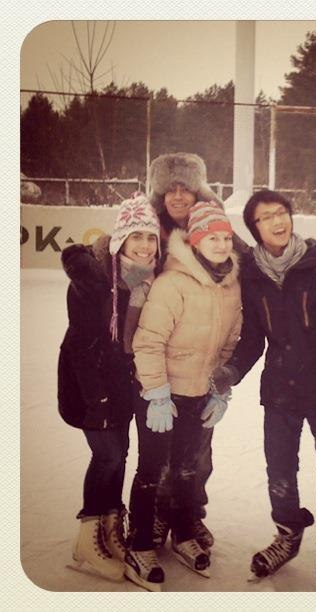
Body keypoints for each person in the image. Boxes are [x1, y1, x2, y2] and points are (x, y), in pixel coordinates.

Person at [211, 189, 316, 592]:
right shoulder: (252, 274)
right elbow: (253, 336)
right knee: (279, 472)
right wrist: (232, 370)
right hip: (280, 390)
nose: (276, 222)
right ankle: (288, 535)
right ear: (255, 228)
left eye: (281, 212)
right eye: (265, 218)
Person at [124, 202, 242, 591]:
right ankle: (139, 543)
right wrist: (157, 394)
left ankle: (184, 533)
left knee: (187, 469)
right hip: (161, 395)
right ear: (195, 241)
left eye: (226, 237)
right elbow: (148, 342)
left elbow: (229, 344)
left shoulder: (231, 286)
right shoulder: (172, 283)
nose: (221, 245)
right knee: (152, 471)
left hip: (198, 394)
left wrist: (220, 390)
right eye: (212, 238)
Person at [58, 195, 161, 583]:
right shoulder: (93, 280)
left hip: (121, 385)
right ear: (121, 238)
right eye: (137, 236)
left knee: (119, 454)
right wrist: (97, 399)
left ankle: (110, 525)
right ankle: (88, 537)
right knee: (108, 455)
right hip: (88, 387)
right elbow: (81, 348)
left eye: (150, 237)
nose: (144, 246)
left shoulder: (148, 280)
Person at [145, 151, 244, 553]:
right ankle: (156, 516)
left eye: (185, 188)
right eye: (170, 189)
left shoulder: (217, 232)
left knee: (198, 457)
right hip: (159, 364)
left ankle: (189, 515)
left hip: (202, 372)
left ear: (197, 192)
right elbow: (115, 249)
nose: (178, 196)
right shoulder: (150, 226)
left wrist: (222, 384)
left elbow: (243, 267)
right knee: (161, 457)